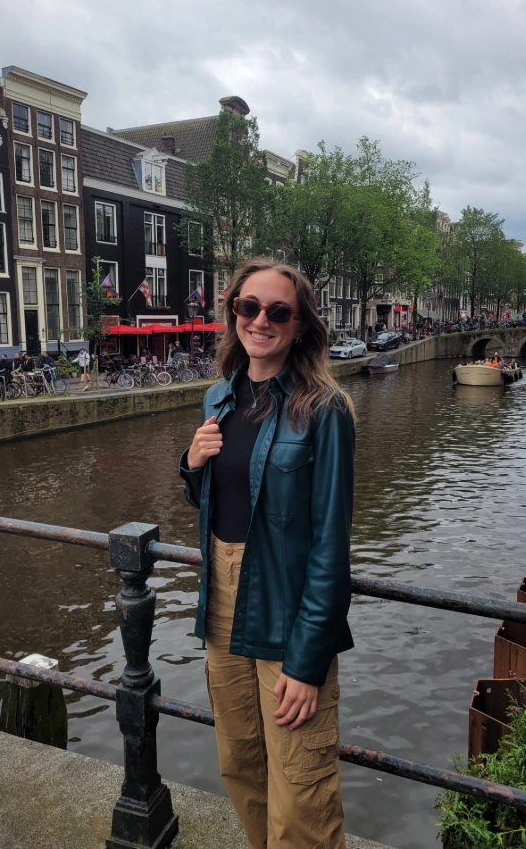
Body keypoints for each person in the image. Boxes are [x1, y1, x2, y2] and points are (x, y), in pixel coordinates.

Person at [179, 258, 356, 849]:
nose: (261, 320)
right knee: (242, 765)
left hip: (287, 608)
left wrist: (307, 661)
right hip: (222, 602)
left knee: (301, 790)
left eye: (278, 311)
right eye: (248, 307)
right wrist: (192, 464)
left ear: (300, 324)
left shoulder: (324, 411)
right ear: (233, 313)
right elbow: (218, 499)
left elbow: (331, 545)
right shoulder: (218, 398)